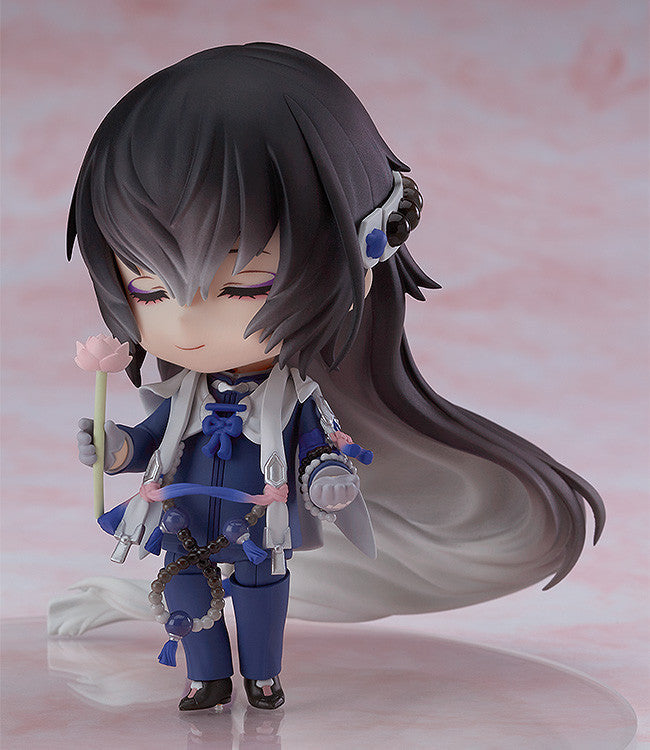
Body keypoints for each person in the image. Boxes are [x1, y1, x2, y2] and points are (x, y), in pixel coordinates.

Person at [68, 43, 604, 711]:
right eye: (147, 290)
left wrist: (327, 476)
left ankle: (263, 676)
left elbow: (318, 445)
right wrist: (115, 447)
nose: (185, 324)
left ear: (360, 260)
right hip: (183, 516)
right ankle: (206, 677)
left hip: (257, 522)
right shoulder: (182, 399)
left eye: (244, 286)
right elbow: (149, 440)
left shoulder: (292, 398)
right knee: (186, 593)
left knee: (260, 596)